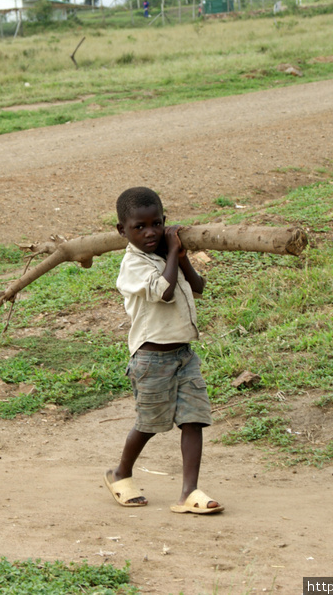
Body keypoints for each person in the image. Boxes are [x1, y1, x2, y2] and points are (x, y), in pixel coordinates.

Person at [104, 187, 223, 514]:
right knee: (149, 423)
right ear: (122, 231)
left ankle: (189, 491)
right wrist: (172, 252)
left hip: (184, 355)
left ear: (164, 222)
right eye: (139, 227)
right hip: (150, 358)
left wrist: (181, 257)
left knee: (193, 419)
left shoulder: (167, 255)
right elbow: (165, 293)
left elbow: (196, 287)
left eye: (156, 224)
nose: (150, 232)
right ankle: (120, 473)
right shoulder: (133, 265)